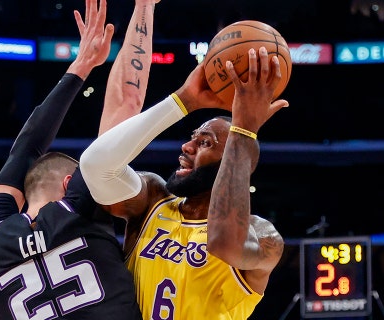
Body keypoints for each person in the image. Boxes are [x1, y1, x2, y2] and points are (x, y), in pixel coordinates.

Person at [0, 0, 161, 318]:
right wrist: (144, 6)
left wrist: (81, 66)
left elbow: (23, 151)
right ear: (70, 183)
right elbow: (128, 101)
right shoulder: (80, 207)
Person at [80, 47, 288, 319]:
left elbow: (224, 243)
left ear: (235, 161)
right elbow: (96, 166)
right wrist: (183, 100)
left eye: (205, 143)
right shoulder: (153, 201)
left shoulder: (262, 235)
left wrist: (244, 130)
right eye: (193, 137)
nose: (187, 146)